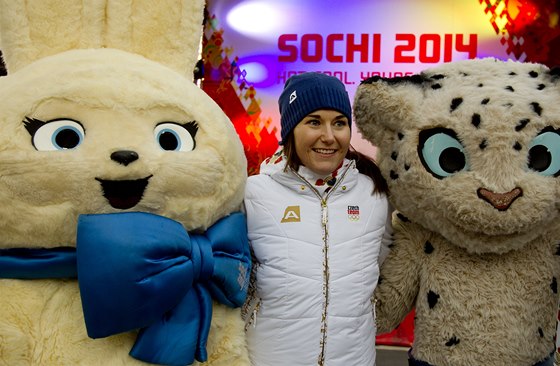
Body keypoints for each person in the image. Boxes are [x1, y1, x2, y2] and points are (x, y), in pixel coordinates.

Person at [243, 72, 393, 366]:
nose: (329, 136)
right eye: (314, 122)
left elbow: (385, 266)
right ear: (290, 130)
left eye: (339, 123)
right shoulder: (253, 194)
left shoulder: (374, 195)